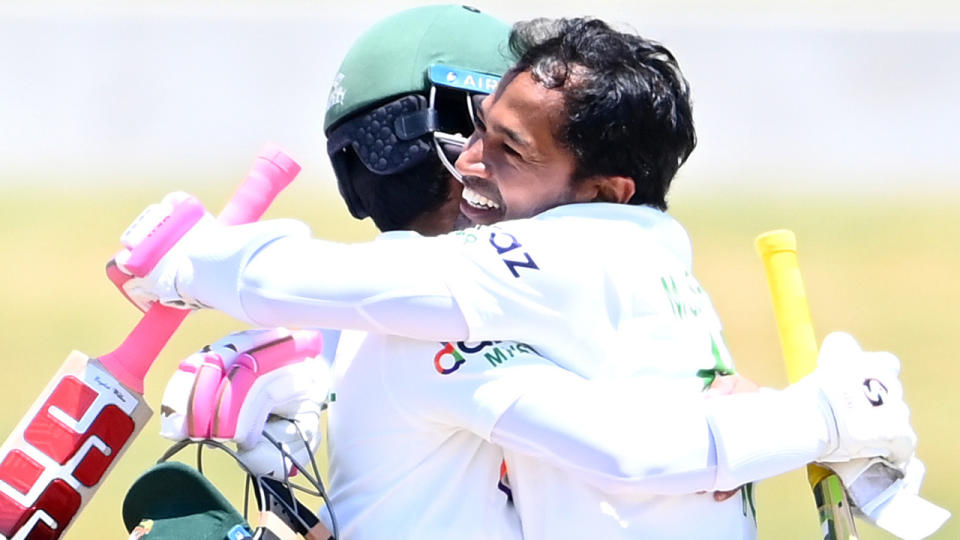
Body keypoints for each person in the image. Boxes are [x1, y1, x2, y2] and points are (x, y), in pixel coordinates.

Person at [118, 12, 931, 540]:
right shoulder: (645, 260)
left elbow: (633, 450)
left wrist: (191, 265)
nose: (473, 159)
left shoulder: (526, 271)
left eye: (507, 147)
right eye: (475, 134)